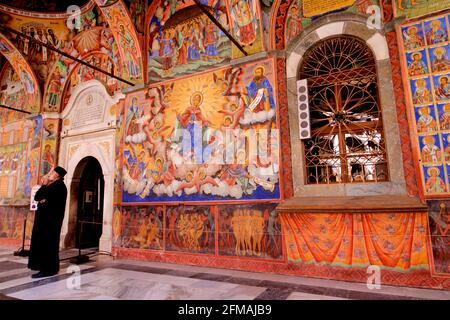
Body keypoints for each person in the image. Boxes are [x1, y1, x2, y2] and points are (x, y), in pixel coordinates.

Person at [28, 166, 68, 278]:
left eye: (52, 172)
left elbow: (41, 197)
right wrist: (43, 198)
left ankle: (46, 270)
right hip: (47, 222)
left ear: (57, 175)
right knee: (48, 245)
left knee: (47, 245)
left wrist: (44, 185)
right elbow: (37, 197)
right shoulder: (55, 186)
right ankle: (51, 268)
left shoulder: (58, 186)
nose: (49, 174)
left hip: (49, 223)